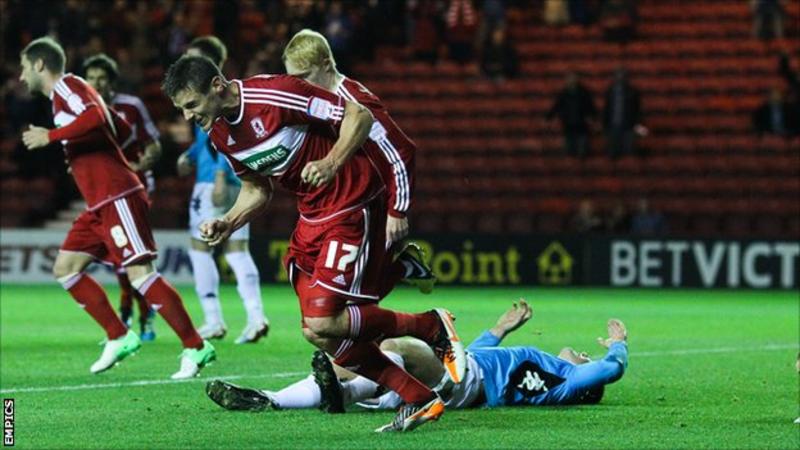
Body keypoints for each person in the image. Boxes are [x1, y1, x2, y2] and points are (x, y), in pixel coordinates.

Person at [161, 54, 467, 432]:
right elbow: (257, 189)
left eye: (191, 105)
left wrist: (332, 162)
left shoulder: (275, 95)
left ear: (217, 86)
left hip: (351, 202)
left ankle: (428, 325)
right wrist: (228, 221)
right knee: (318, 333)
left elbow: (359, 116)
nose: (188, 117)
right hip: (311, 216)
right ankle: (419, 397)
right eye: (182, 110)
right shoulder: (219, 133)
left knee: (325, 318)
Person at [19, 37, 215, 379]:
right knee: (66, 268)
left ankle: (196, 346)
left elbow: (97, 117)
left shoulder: (67, 86)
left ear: (39, 65)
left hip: (116, 196)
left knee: (141, 275)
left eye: (23, 68)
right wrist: (93, 153)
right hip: (99, 202)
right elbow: (118, 125)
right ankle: (119, 335)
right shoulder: (67, 95)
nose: (21, 77)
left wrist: (52, 137)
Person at [205, 300, 628, 417]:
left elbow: (608, 370)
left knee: (395, 346)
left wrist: (618, 345)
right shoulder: (545, 372)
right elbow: (478, 354)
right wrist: (501, 329)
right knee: (354, 359)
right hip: (467, 370)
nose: (584, 353)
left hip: (470, 385)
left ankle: (353, 393)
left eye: (586, 358)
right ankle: (273, 398)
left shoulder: (563, 380)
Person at [281, 29, 425, 261]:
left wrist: (397, 210)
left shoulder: (356, 102)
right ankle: (406, 266)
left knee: (350, 290)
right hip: (344, 206)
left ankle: (404, 266)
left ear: (326, 64)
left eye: (304, 76)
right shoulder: (319, 102)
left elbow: (401, 149)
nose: (298, 86)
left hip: (369, 206)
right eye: (293, 80)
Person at [180, 36, 269, 344]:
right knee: (237, 250)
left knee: (199, 248)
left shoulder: (207, 97)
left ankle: (213, 319)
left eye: (191, 58)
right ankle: (256, 316)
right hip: (238, 181)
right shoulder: (218, 96)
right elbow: (207, 142)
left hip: (214, 182)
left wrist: (217, 175)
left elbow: (222, 137)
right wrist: (189, 156)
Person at [83, 52, 161, 341]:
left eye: (102, 78)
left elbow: (154, 144)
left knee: (133, 256)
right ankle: (132, 314)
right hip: (104, 193)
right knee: (120, 258)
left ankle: (141, 317)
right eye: (91, 78)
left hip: (135, 189)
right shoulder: (83, 111)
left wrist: (143, 164)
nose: (96, 83)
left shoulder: (131, 106)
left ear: (112, 81)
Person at [546, 72, 597, 158]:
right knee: (570, 149)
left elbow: (590, 106)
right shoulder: (563, 93)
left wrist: (594, 118)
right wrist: (549, 117)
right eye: (569, 79)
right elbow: (557, 106)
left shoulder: (584, 92)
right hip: (568, 124)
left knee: (582, 149)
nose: (571, 81)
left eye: (573, 79)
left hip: (581, 124)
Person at [603, 67, 646, 159]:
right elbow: (606, 109)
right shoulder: (610, 91)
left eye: (622, 76)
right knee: (614, 152)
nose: (620, 78)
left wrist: (637, 125)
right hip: (613, 125)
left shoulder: (633, 92)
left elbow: (637, 110)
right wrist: (605, 124)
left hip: (629, 126)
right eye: (618, 76)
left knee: (629, 152)